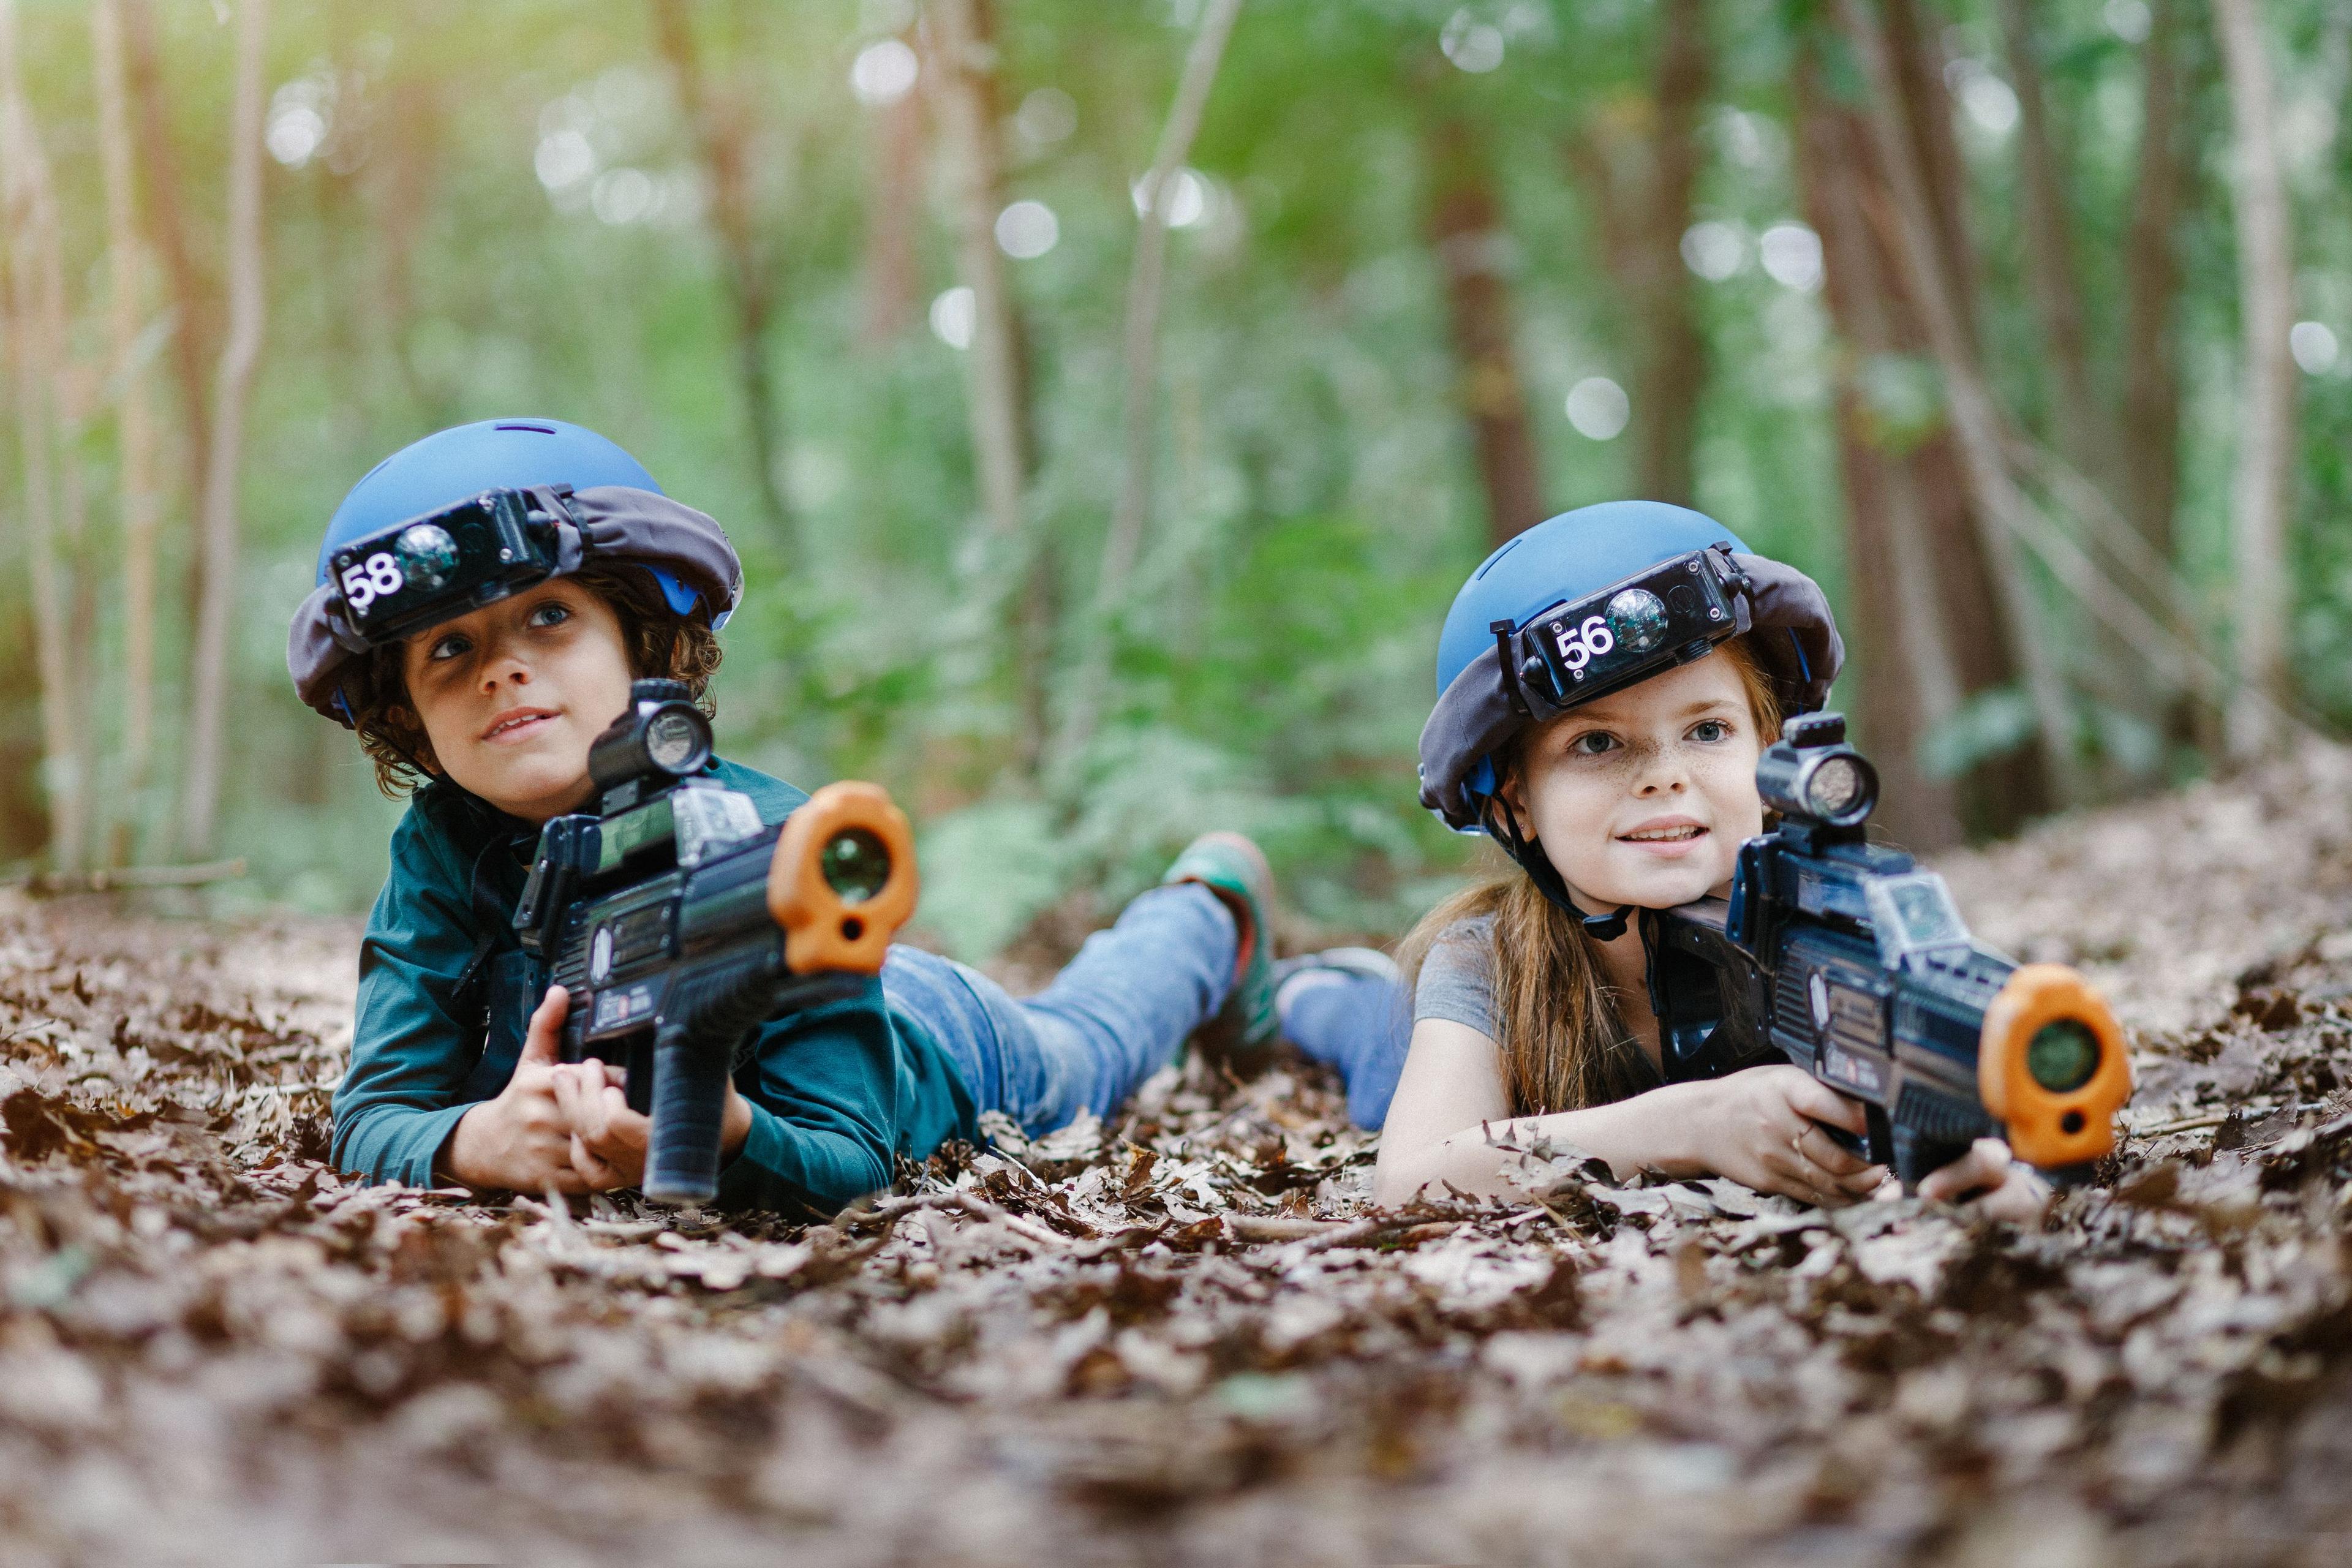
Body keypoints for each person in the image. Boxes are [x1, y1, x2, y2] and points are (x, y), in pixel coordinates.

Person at [292, 418, 1287, 1216]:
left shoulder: (766, 839)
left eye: (549, 616)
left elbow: (853, 1155)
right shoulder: (440, 845)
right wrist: (479, 1143)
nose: (503, 666)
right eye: (447, 650)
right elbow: (374, 1114)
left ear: (641, 646)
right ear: (411, 722)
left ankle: (1210, 912)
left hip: (928, 1038)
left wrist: (727, 1133)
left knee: (1089, 1045)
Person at [1276, 502, 2048, 1221]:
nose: (1665, 775)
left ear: (1769, 746)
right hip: (1416, 1044)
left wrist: (1985, 1161)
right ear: (1513, 802)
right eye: (1598, 742)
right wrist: (1694, 1124)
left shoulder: (1839, 926)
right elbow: (1411, 1177)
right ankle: (1298, 978)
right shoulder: (1486, 960)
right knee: (1359, 1031)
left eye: (1708, 730)